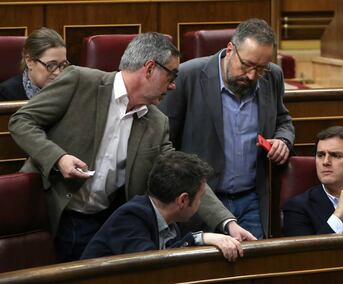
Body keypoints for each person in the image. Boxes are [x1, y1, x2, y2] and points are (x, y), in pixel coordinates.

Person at [9, 32, 253, 263]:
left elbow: (184, 176)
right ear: (149, 69)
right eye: (172, 75)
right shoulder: (80, 81)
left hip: (104, 223)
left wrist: (227, 222)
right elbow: (21, 121)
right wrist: (58, 158)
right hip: (53, 213)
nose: (173, 86)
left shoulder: (157, 123)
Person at [159, 18, 295, 239]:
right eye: (247, 65)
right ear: (230, 49)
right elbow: (165, 141)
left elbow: (283, 119)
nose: (252, 75)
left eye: (260, 69)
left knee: (254, 268)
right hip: (199, 201)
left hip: (252, 200)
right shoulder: (187, 77)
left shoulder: (272, 76)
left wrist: (283, 139)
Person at [81, 151, 243, 262]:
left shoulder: (169, 223)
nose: (201, 203)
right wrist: (200, 238)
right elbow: (151, 267)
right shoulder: (131, 217)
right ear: (183, 200)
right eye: (201, 197)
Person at [0, 27, 69, 101]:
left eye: (63, 65)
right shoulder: (6, 94)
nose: (58, 72)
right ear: (29, 61)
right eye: (51, 65)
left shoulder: (69, 89)